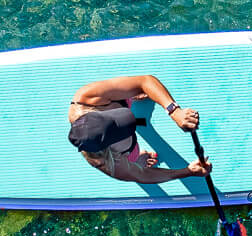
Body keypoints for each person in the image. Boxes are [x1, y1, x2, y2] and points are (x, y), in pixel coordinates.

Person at [68, 75, 212, 183]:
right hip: (126, 152)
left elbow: (145, 81)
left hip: (111, 100)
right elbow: (143, 175)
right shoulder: (109, 163)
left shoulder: (85, 97)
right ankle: (138, 157)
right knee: (135, 161)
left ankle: (130, 95)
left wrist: (174, 111)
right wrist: (187, 171)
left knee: (136, 88)